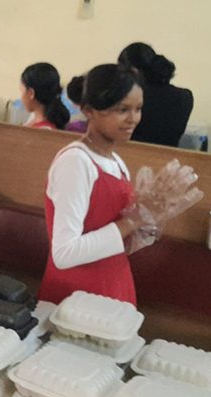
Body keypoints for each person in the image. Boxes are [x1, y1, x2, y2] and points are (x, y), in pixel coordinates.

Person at [38, 64, 150, 306]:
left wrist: (151, 215)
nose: (133, 119)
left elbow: (117, 231)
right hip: (77, 295)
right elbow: (64, 253)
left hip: (113, 283)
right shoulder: (76, 161)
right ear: (89, 111)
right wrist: (132, 220)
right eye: (122, 109)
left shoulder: (116, 162)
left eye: (138, 109)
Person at [118, 42, 193, 147]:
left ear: (133, 71)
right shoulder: (185, 97)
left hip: (131, 156)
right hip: (169, 159)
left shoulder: (132, 97)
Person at [20, 62, 70, 130]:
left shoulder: (45, 130)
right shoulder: (34, 117)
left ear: (31, 93)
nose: (21, 97)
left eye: (21, 91)